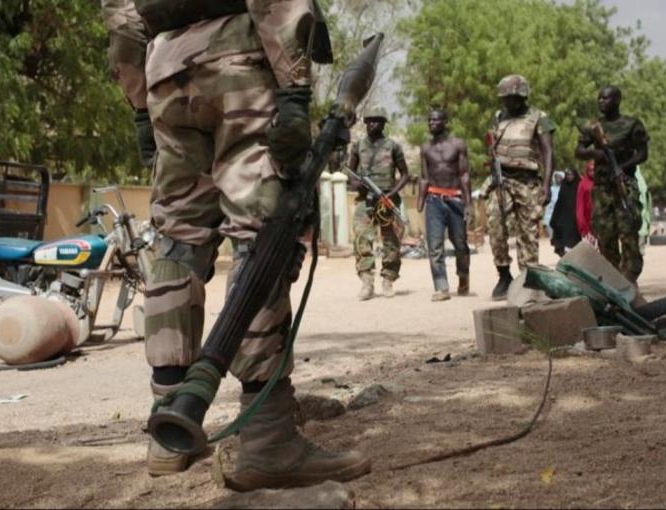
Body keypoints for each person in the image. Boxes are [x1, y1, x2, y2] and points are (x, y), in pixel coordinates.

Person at [100, 0, 371, 490]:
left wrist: (140, 106)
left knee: (177, 240)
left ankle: (169, 431)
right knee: (259, 236)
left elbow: (121, 16)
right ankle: (269, 441)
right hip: (238, 58)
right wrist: (294, 93)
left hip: (165, 71)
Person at [486, 75, 556, 300]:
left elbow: (548, 151)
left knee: (528, 233)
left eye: (511, 98)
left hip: (527, 181)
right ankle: (504, 275)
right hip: (501, 180)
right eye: (504, 98)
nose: (507, 102)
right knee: (495, 227)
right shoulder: (498, 117)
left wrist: (547, 184)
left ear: (522, 96)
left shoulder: (539, 117)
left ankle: (528, 278)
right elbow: (491, 145)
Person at [575, 85, 649, 283]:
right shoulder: (594, 126)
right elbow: (579, 151)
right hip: (602, 188)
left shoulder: (632, 124)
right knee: (605, 234)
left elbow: (643, 154)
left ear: (617, 100)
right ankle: (613, 278)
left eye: (606, 98)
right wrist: (595, 153)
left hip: (624, 184)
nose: (601, 101)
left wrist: (623, 167)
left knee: (628, 231)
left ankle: (630, 277)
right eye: (599, 98)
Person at [348, 106, 410, 300]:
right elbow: (350, 173)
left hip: (387, 199)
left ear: (383, 124)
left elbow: (405, 175)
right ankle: (367, 282)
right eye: (369, 121)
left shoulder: (393, 146)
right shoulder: (358, 146)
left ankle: (388, 279)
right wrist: (357, 184)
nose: (372, 124)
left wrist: (392, 193)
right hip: (365, 200)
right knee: (361, 240)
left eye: (376, 121)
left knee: (392, 241)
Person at [417, 109, 471, 301]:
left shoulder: (458, 145)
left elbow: (464, 175)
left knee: (460, 245)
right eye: (429, 120)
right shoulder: (425, 148)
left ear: (445, 122)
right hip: (434, 200)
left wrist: (468, 204)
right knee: (434, 246)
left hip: (455, 199)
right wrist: (420, 202)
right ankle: (441, 287)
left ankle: (463, 276)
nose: (432, 123)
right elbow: (424, 177)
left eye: (436, 120)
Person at [549, 168, 581, 257]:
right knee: (562, 242)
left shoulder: (579, 186)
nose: (569, 177)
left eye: (571, 175)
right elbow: (559, 202)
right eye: (567, 175)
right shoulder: (564, 186)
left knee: (574, 243)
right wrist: (554, 218)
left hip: (575, 219)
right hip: (563, 219)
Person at [576, 160, 597, 247]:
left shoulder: (601, 183)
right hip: (588, 225)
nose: (593, 173)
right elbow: (580, 207)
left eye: (594, 170)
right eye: (590, 170)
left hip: (601, 224)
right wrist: (584, 229)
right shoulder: (583, 184)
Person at [543, 171, 563, 239]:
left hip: (561, 217)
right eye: (556, 177)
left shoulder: (564, 189)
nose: (558, 179)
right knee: (552, 237)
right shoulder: (550, 189)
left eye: (560, 177)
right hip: (550, 215)